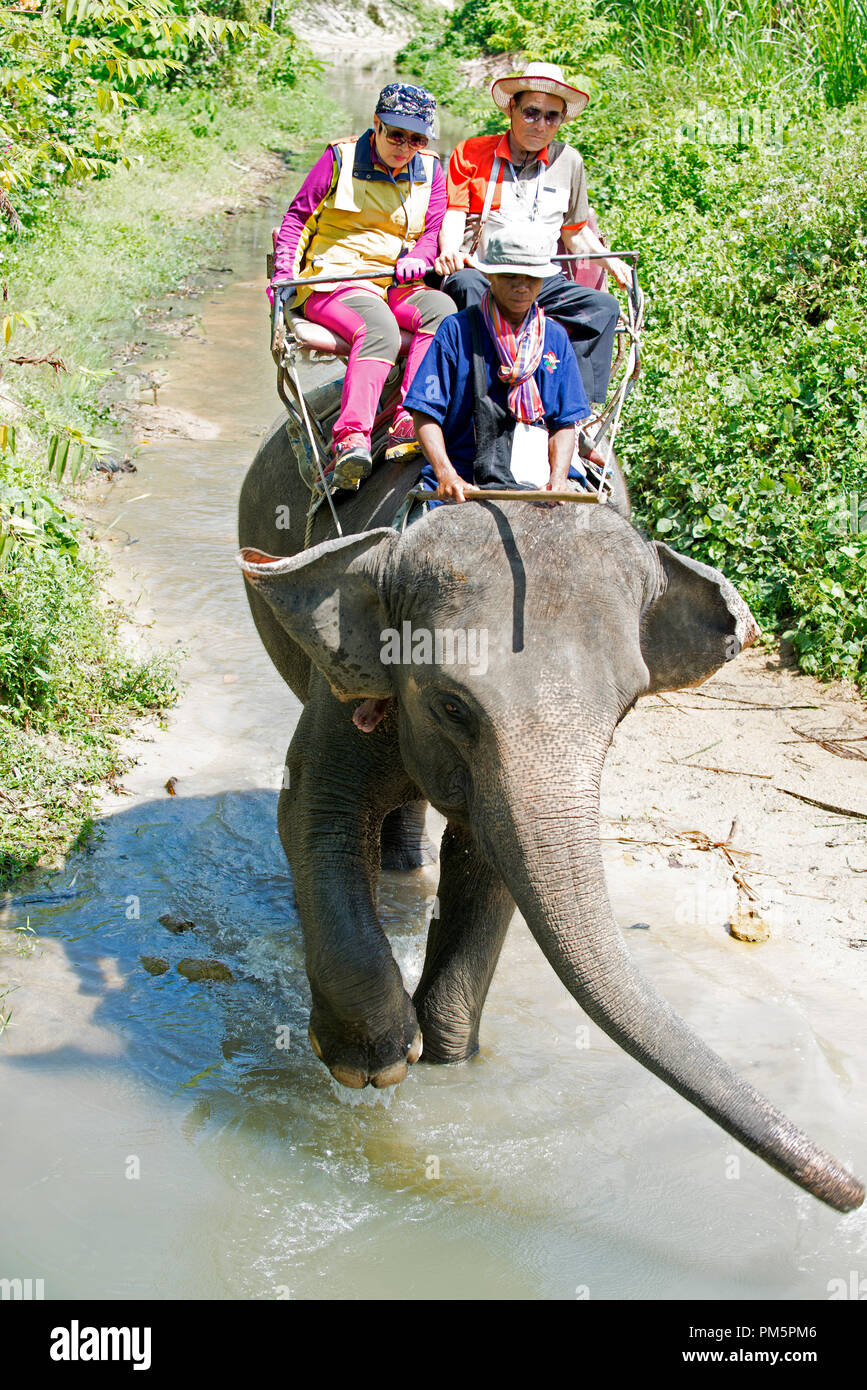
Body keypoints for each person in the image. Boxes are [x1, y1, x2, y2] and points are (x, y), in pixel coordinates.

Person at [271, 83, 456, 488]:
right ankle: (351, 436)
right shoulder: (340, 157)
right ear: (376, 124)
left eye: (416, 139)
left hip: (395, 281)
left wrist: (420, 259)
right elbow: (296, 220)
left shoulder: (431, 170)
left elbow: (432, 232)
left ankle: (408, 416)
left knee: (443, 312)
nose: (405, 147)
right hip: (337, 279)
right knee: (378, 329)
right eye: (396, 135)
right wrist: (284, 274)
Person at [433, 61, 632, 411]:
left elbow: (574, 235)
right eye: (531, 113)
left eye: (551, 117)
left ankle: (577, 413)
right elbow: (453, 214)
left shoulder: (569, 162)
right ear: (511, 108)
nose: (541, 125)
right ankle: (476, 398)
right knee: (464, 286)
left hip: (540, 276)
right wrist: (450, 250)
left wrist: (611, 261)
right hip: (485, 271)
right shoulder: (472, 153)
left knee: (602, 308)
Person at [404, 225, 607, 505]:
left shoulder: (555, 337)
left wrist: (557, 480)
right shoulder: (456, 330)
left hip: (539, 480)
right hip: (465, 478)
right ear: (489, 275)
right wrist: (445, 473)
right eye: (510, 276)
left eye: (531, 278)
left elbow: (564, 422)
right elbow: (425, 413)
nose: (521, 287)